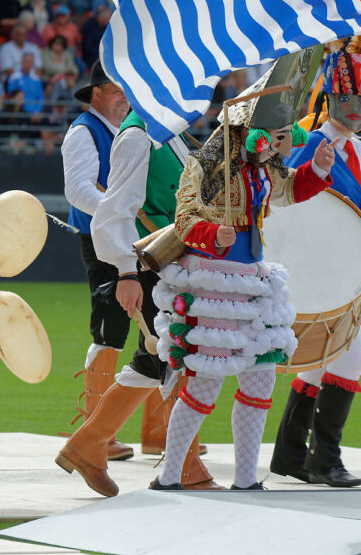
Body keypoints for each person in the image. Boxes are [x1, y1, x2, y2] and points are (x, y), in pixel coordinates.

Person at [148, 65, 336, 491]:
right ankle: (169, 474)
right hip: (213, 278)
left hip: (252, 278)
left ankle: (247, 479)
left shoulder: (261, 163)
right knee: (207, 379)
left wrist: (318, 171)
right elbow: (183, 218)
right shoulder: (209, 162)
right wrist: (213, 233)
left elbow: (286, 191)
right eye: (275, 138)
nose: (279, 149)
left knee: (261, 375)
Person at [56, 73, 217, 496]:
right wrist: (127, 269)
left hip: (163, 257)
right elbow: (105, 206)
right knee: (173, 351)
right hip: (144, 257)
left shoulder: (163, 132)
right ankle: (182, 462)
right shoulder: (134, 135)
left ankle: (92, 445)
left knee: (160, 355)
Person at [270, 32, 361, 488]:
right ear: (330, 97)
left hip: (348, 268)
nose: (356, 110)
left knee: (318, 362)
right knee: (348, 362)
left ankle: (291, 454)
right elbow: (298, 208)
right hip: (318, 272)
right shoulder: (311, 143)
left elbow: (357, 212)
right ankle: (324, 459)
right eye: (347, 98)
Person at [60, 62, 134, 461]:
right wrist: (118, 212)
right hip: (103, 239)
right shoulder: (83, 132)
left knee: (149, 325)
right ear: (97, 94)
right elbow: (77, 190)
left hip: (123, 237)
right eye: (117, 90)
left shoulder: (117, 131)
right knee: (110, 328)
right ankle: (96, 433)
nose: (124, 97)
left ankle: (152, 432)